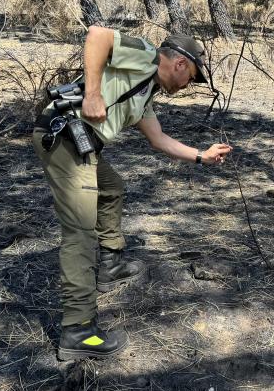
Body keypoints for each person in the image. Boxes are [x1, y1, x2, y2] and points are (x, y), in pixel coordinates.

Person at [32, 25, 232, 360]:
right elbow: (98, 35)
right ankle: (79, 332)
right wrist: (93, 94)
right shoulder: (146, 55)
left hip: (83, 147)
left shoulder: (144, 93)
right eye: (190, 78)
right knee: (80, 232)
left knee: (112, 188)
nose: (186, 87)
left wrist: (202, 155)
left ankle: (110, 264)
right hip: (64, 140)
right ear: (181, 65)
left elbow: (160, 140)